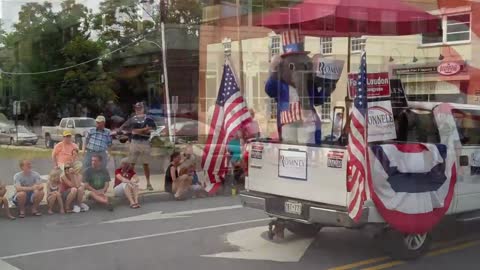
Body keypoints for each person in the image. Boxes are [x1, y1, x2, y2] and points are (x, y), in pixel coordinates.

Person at [121, 102, 156, 191]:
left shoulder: (149, 119)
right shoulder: (132, 119)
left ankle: (148, 183)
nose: (138, 110)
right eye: (137, 108)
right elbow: (131, 131)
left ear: (143, 109)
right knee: (132, 163)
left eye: (140, 108)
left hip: (145, 142)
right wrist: (144, 129)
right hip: (135, 142)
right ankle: (130, 182)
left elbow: (152, 129)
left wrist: (140, 131)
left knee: (146, 164)